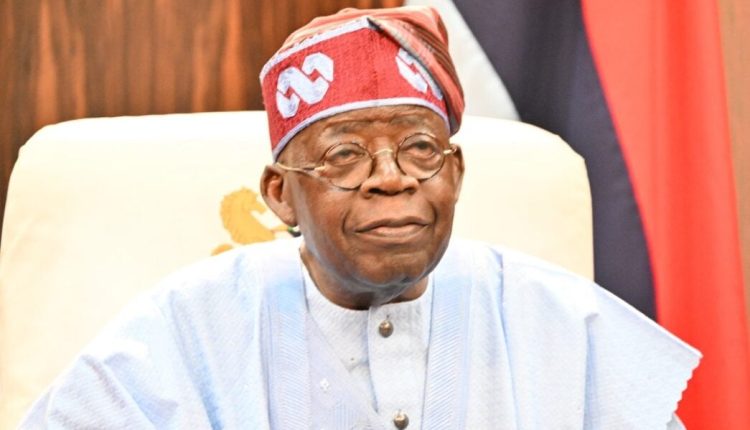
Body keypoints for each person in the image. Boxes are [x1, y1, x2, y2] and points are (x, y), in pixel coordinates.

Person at [20, 6, 699, 429]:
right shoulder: (185, 330)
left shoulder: (563, 328)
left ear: (456, 173)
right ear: (280, 194)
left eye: (420, 148)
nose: (391, 177)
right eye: (344, 156)